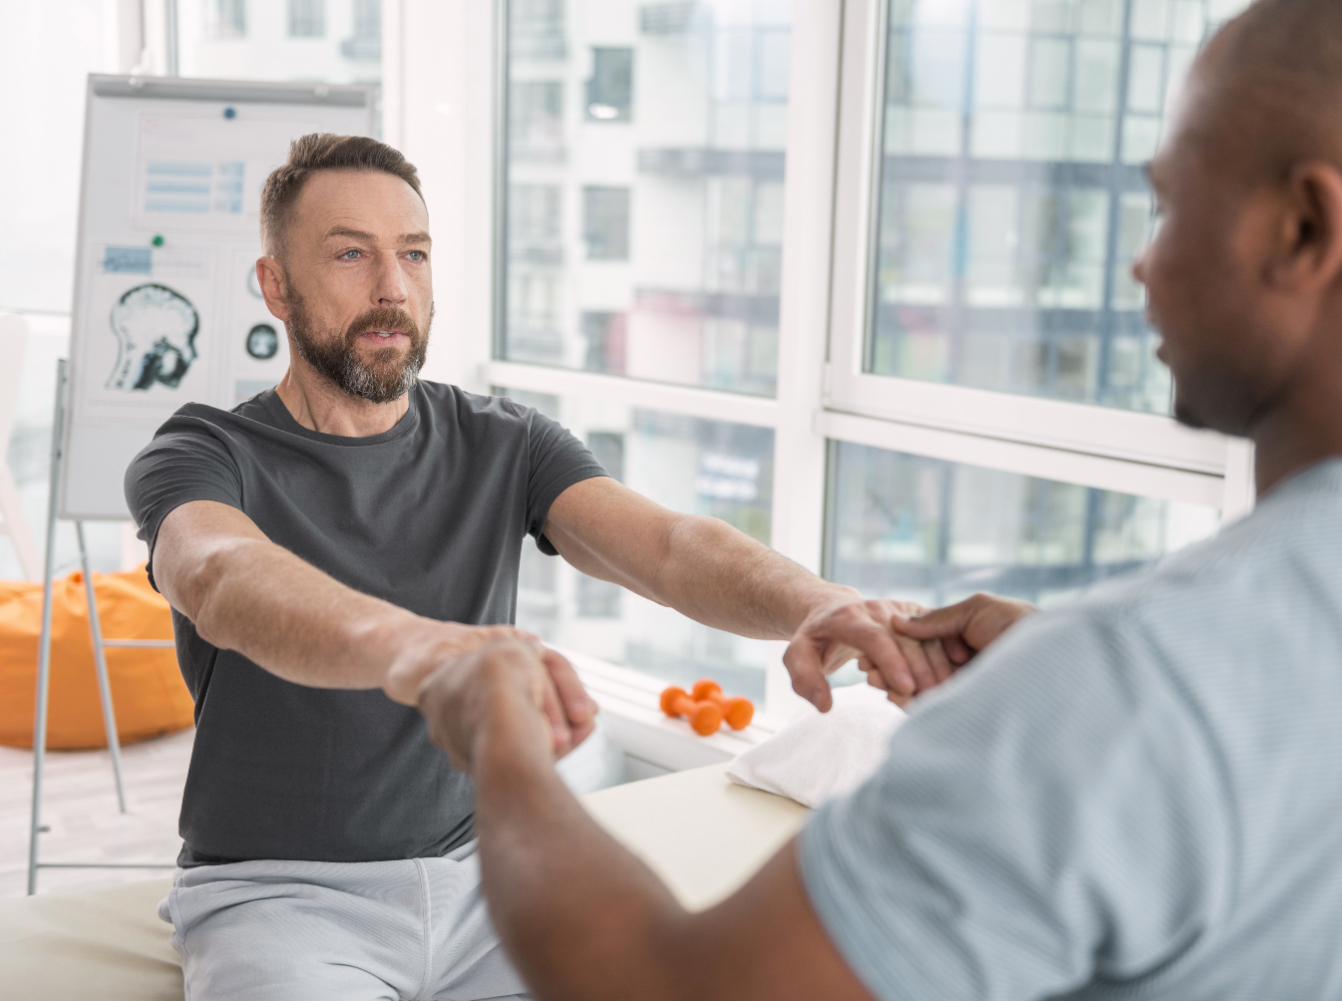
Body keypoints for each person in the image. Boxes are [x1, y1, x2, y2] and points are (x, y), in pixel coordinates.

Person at [400, 0, 1342, 997]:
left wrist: (499, 733)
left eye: (1169, 207)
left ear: (1303, 230)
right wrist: (1063, 674)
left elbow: (656, 984)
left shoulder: (1142, 683)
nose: (1142, 268)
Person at [125, 133, 943, 999]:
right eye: (350, 254)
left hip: (488, 878)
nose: (392, 287)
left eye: (414, 254)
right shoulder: (204, 450)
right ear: (276, 287)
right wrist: (427, 651)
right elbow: (218, 575)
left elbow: (666, 545)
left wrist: (819, 602)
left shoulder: (503, 440)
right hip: (282, 898)